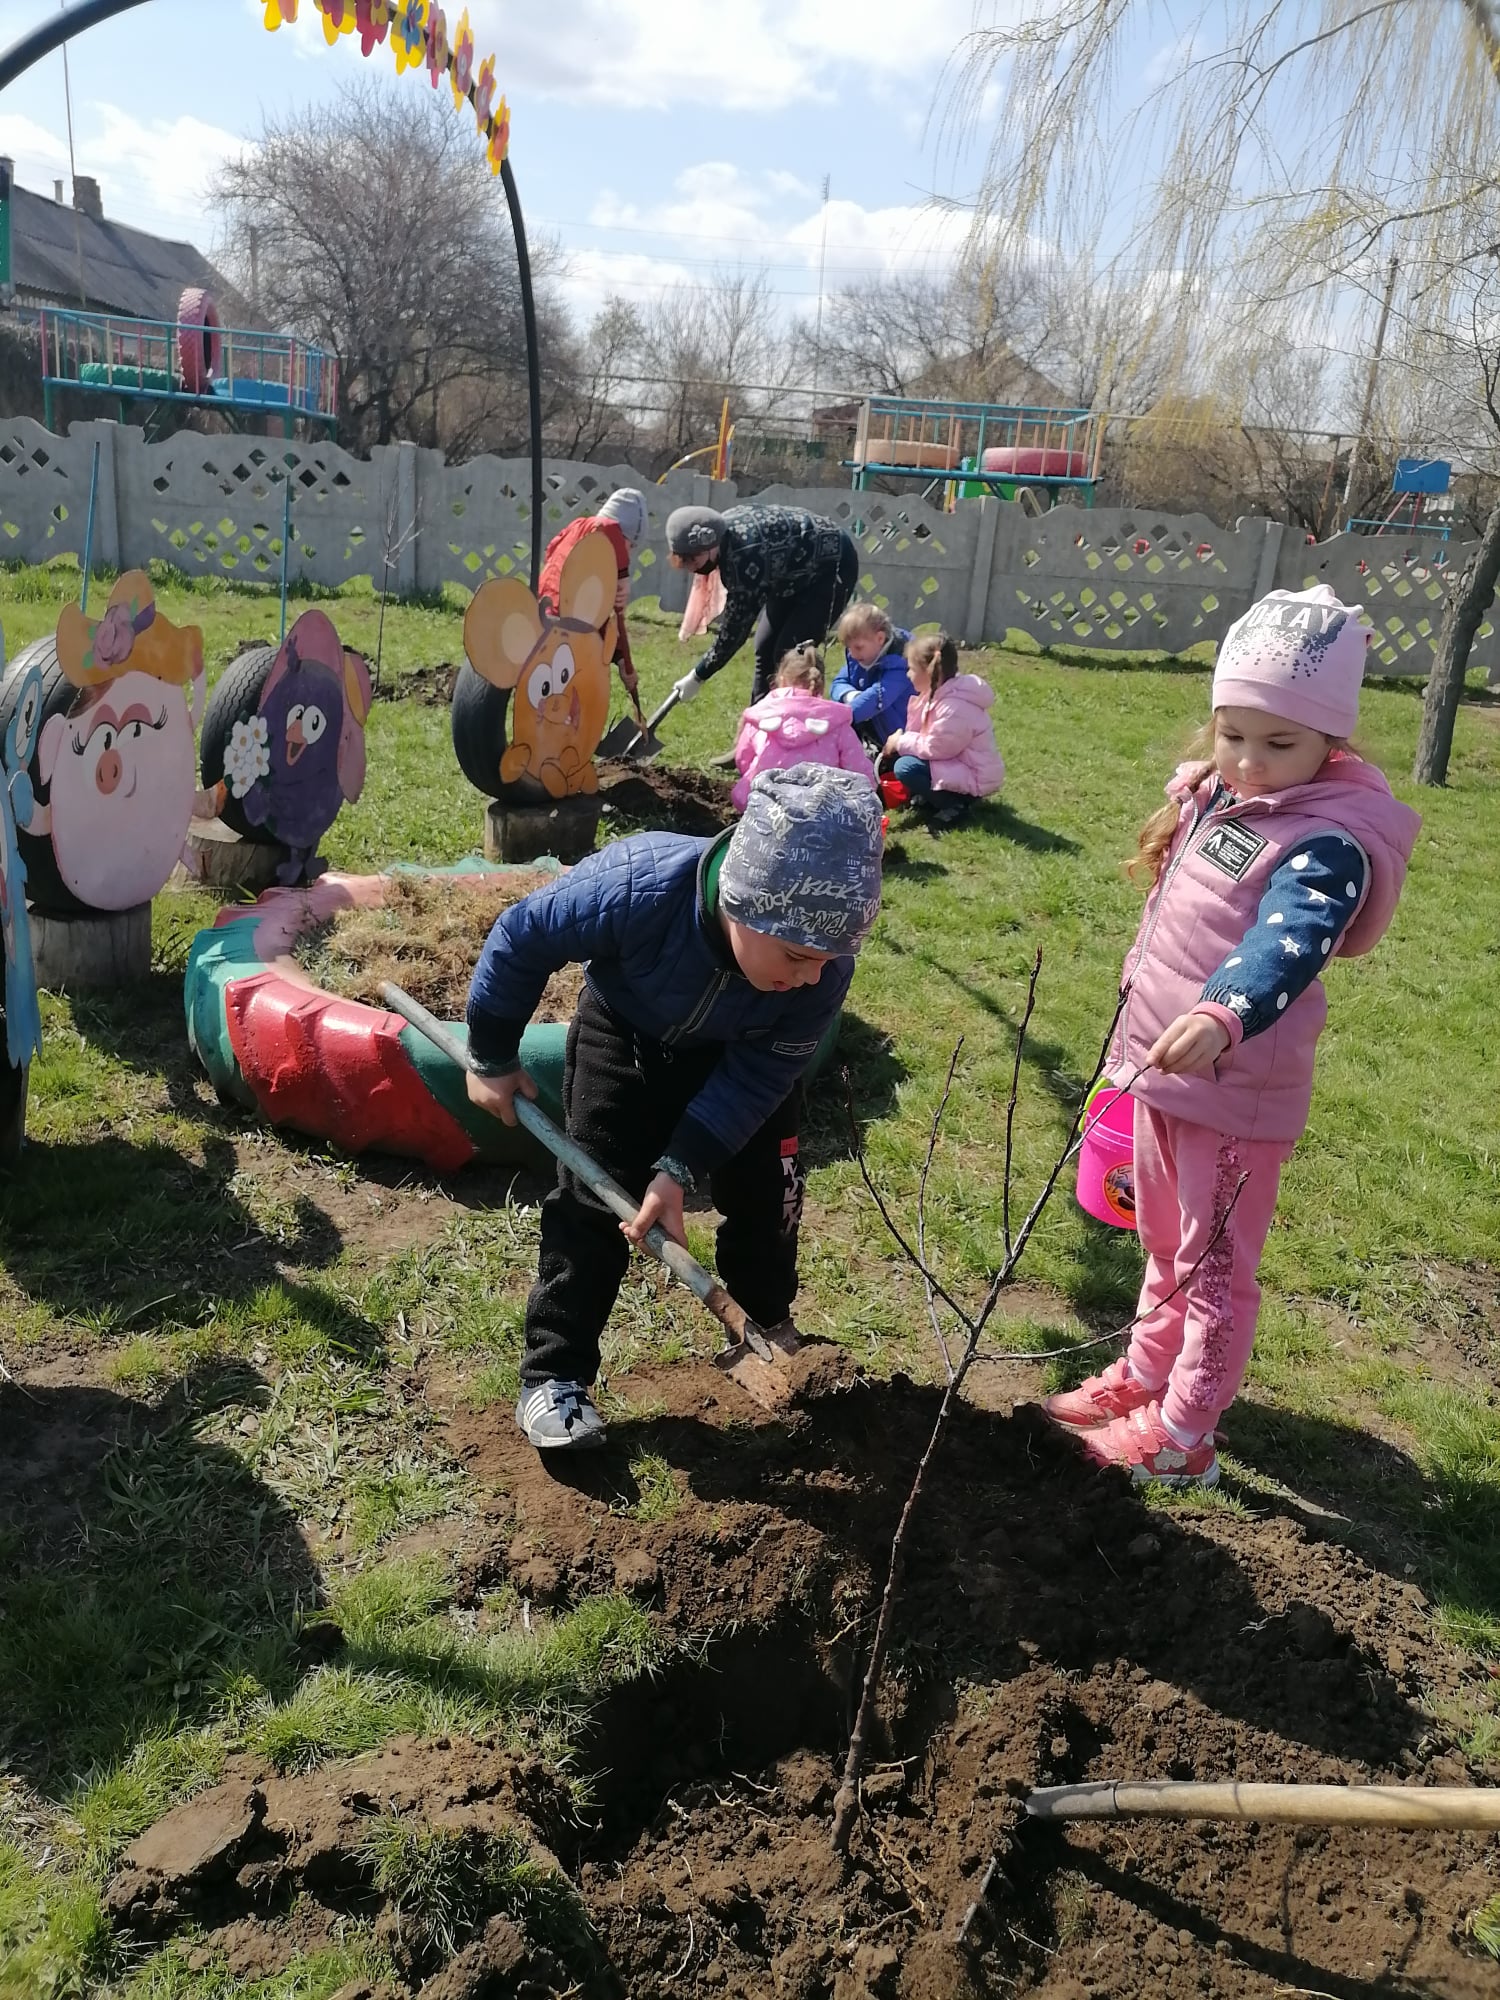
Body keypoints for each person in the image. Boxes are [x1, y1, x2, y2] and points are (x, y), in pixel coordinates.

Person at [1044, 585, 1420, 1489]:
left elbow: (1285, 945)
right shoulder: (1222, 797)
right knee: (1163, 1246)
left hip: (1234, 1089)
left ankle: (1185, 1435)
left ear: (1333, 743)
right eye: (1232, 734)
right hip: (1165, 1073)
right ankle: (1141, 1376)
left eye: (1278, 744)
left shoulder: (1326, 841)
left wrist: (1224, 1014)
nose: (1249, 762)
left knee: (1212, 1270)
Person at [464, 764, 885, 1453]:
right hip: (627, 1034)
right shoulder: (637, 885)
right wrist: (493, 1056)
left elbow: (761, 1078)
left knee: (769, 1191)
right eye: (797, 956)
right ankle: (556, 1373)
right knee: (596, 1195)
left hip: (742, 1056)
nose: (812, 976)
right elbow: (522, 936)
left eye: (828, 960)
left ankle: (764, 1327)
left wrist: (681, 1167)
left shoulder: (820, 969)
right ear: (743, 902)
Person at [664, 503, 862, 736]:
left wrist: (698, 675)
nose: (691, 569)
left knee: (789, 655)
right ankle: (757, 731)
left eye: (693, 561)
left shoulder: (745, 557)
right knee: (764, 646)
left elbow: (734, 632)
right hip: (788, 571)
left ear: (710, 544)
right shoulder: (723, 534)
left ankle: (794, 734)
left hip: (830, 568)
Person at [730, 643, 875, 812]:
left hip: (764, 805)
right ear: (819, 683)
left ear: (781, 679)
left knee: (747, 786)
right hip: (821, 811)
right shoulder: (834, 720)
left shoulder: (761, 716)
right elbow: (857, 769)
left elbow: (743, 760)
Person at [537, 488, 648, 709]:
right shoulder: (603, 529)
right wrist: (622, 576)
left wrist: (621, 659)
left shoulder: (576, 529)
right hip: (566, 626)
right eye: (631, 546)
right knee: (579, 690)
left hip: (545, 616)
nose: (629, 554)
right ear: (624, 534)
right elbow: (608, 528)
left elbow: (599, 619)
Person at [881, 632, 1005, 827]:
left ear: (930, 673)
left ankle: (955, 803)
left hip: (973, 776)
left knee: (905, 767)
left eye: (912, 669)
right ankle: (932, 796)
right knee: (902, 757)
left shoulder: (955, 707)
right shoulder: (934, 693)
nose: (908, 674)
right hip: (954, 764)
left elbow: (938, 748)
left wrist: (901, 741)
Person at [830, 603, 915, 756]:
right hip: (872, 729)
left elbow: (877, 698)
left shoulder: (903, 663)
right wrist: (851, 695)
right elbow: (838, 683)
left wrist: (834, 719)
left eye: (858, 647)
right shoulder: (861, 656)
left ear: (880, 638)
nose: (853, 654)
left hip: (900, 738)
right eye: (849, 648)